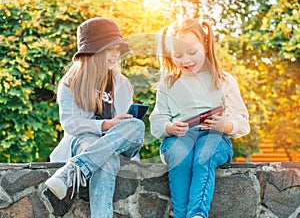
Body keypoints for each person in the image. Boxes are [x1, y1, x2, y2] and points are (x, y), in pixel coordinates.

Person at [149, 18, 250, 218]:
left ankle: (196, 214)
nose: (185, 60)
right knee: (179, 154)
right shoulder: (168, 84)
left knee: (204, 153)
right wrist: (170, 128)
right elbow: (157, 121)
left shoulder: (223, 80)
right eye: (178, 55)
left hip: (213, 136)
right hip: (180, 138)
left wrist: (226, 125)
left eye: (192, 52)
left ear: (204, 45)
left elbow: (242, 121)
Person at [45, 17, 145, 218]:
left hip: (120, 145)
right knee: (104, 159)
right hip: (86, 142)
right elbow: (71, 125)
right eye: (110, 49)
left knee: (136, 126)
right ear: (93, 51)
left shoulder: (121, 82)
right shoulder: (70, 83)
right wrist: (106, 124)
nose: (116, 54)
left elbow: (126, 126)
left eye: (118, 48)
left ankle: (72, 170)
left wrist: (121, 122)